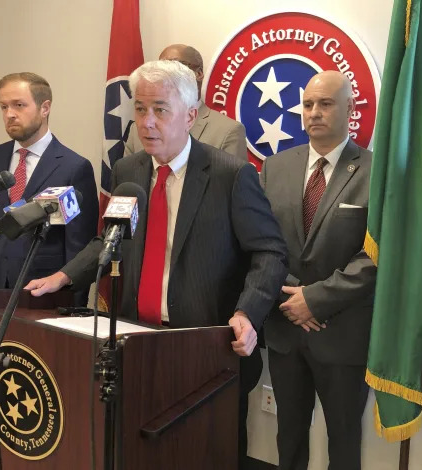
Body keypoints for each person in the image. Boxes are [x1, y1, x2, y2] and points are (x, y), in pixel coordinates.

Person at [24, 60, 287, 468]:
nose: (147, 122)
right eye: (140, 110)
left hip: (206, 344)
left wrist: (247, 313)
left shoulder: (229, 175)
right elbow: (109, 239)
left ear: (190, 115)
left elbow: (269, 252)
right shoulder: (129, 171)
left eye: (160, 110)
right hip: (139, 338)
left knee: (208, 453)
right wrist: (62, 275)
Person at [260, 71, 376, 470]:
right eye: (308, 104)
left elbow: (376, 254)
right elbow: (261, 243)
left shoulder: (376, 173)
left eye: (325, 104)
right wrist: (293, 296)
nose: (314, 113)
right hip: (285, 327)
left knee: (344, 441)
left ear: (350, 109)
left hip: (343, 334)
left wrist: (317, 299)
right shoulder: (274, 168)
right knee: (288, 435)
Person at [0, 72, 99, 304]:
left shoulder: (74, 167)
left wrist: (73, 305)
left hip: (46, 295)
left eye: (19, 105)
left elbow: (79, 245)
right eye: (3, 107)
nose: (9, 114)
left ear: (45, 108)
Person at [124, 44, 247, 161]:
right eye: (161, 68)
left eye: (176, 66)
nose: (166, 74)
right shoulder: (137, 130)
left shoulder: (227, 131)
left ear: (198, 74)